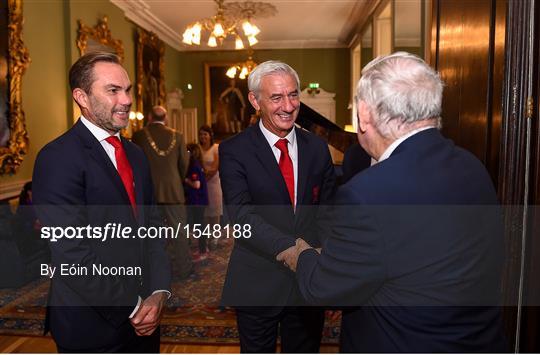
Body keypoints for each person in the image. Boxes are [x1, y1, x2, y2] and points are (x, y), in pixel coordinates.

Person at [277, 52, 506, 352]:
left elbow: (324, 289)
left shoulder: (366, 195)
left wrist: (300, 253)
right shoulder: (473, 167)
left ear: (364, 114)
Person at [32, 52, 171, 353]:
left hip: (148, 316)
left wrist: (159, 291)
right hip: (91, 323)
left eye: (128, 89)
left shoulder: (135, 154)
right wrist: (133, 307)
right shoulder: (57, 158)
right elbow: (72, 254)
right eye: (113, 90)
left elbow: (153, 228)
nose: (126, 99)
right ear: (81, 96)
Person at [219, 60, 336, 353]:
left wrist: (330, 273)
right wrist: (294, 251)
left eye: (293, 95)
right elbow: (242, 216)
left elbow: (329, 213)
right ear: (254, 100)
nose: (288, 105)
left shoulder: (318, 148)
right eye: (276, 97)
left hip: (309, 284)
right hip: (256, 281)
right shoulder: (234, 150)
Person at [132, 105, 192, 278]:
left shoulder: (139, 136)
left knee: (149, 233)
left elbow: (135, 164)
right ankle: (184, 269)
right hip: (173, 190)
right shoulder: (178, 136)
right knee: (180, 232)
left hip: (148, 191)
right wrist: (177, 180)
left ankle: (151, 272)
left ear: (149, 116)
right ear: (165, 118)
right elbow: (183, 164)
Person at [198, 124, 222, 249]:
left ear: (210, 135)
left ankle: (215, 238)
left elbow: (215, 167)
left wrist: (203, 177)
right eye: (201, 134)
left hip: (212, 184)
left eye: (205, 134)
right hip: (201, 185)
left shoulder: (216, 148)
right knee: (205, 213)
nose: (203, 137)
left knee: (215, 212)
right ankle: (206, 237)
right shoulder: (198, 149)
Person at [184, 143, 209, 261]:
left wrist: (186, 180)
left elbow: (196, 184)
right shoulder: (198, 164)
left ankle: (203, 251)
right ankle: (203, 248)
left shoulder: (193, 165)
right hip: (199, 199)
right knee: (200, 224)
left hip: (197, 200)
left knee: (199, 225)